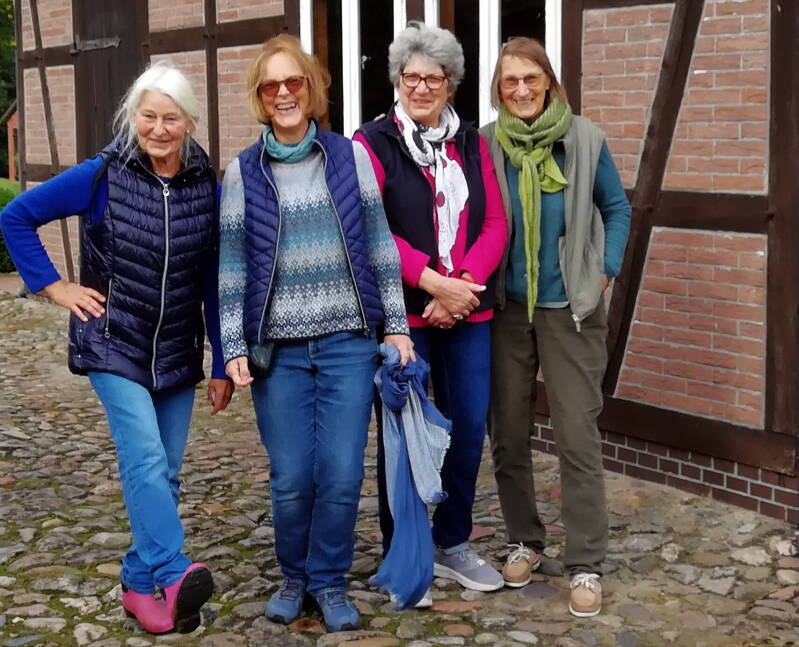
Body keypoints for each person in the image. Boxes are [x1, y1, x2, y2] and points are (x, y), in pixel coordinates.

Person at [0, 62, 232, 634]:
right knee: (145, 458)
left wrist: (223, 359)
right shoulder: (103, 175)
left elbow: (211, 279)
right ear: (133, 118)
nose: (158, 129)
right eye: (148, 116)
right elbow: (17, 216)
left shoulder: (206, 186)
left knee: (165, 475)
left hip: (176, 349)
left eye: (170, 119)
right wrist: (55, 287)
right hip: (113, 343)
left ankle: (136, 581)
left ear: (189, 123)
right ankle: (173, 571)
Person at [218, 35, 413, 633]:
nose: (283, 94)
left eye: (293, 82)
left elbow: (379, 244)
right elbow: (232, 267)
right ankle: (293, 576)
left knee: (342, 475)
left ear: (311, 88)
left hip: (347, 344)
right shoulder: (242, 172)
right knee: (291, 479)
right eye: (270, 86)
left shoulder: (349, 158)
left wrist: (397, 326)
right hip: (277, 352)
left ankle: (328, 580)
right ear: (259, 97)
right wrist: (232, 347)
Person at [354, 22, 508, 593]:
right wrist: (433, 284)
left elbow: (495, 223)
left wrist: (460, 286)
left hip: (467, 309)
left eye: (433, 78)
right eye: (411, 77)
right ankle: (404, 550)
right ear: (397, 81)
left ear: (451, 84)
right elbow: (370, 227)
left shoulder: (471, 143)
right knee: (404, 436)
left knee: (466, 428)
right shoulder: (370, 143)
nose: (421, 88)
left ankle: (451, 541)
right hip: (403, 318)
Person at [480, 37, 631, 617]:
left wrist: (606, 269)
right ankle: (524, 539)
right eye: (510, 80)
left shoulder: (584, 139)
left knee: (576, 436)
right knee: (509, 434)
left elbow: (616, 207)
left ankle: (586, 561)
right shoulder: (487, 144)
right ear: (499, 89)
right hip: (506, 310)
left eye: (531, 78)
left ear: (548, 81)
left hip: (571, 309)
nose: (521, 90)